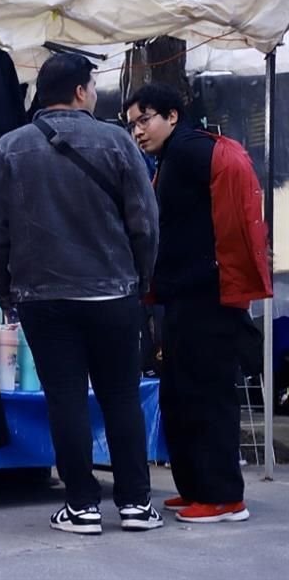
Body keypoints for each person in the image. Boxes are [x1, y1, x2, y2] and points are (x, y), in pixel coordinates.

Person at [0, 53, 161, 535]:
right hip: (113, 293)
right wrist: (140, 280)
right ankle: (136, 504)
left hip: (43, 298)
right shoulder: (117, 142)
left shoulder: (9, 149)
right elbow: (145, 221)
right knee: (121, 397)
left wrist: (6, 290)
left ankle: (81, 505)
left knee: (66, 399)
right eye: (93, 86)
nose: (95, 93)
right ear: (80, 91)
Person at [124, 83, 271, 524]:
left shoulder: (189, 152)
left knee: (206, 395)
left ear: (172, 116)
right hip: (191, 293)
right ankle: (197, 488)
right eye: (132, 124)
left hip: (206, 295)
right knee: (183, 393)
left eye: (145, 119)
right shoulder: (175, 156)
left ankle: (224, 497)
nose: (137, 131)